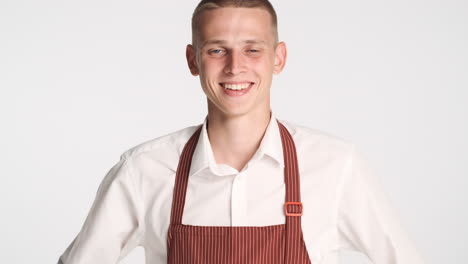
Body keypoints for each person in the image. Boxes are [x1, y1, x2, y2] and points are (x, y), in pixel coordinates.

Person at [58, 0, 425, 263]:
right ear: (193, 60)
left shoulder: (335, 164)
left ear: (278, 58)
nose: (236, 67)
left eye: (253, 49)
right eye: (218, 50)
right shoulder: (144, 169)